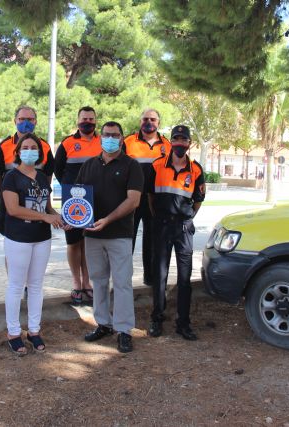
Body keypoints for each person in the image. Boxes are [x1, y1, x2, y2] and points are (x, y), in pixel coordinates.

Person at [76, 121, 143, 353]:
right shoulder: (88, 165)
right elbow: (78, 198)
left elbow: (133, 200)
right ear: (100, 137)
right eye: (106, 134)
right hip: (92, 234)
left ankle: (124, 330)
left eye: (115, 135)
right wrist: (73, 218)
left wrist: (108, 219)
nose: (110, 138)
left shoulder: (131, 166)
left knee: (122, 283)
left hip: (119, 235)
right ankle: (103, 324)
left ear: (122, 138)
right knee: (99, 281)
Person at [1, 133, 65, 355]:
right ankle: (13, 333)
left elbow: (47, 207)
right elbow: (13, 209)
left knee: (36, 285)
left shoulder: (41, 177)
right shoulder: (11, 177)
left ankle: (34, 330)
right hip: (18, 238)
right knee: (16, 286)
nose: (30, 151)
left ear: (40, 153)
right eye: (25, 147)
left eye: (34, 147)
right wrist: (46, 218)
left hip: (41, 239)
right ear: (18, 152)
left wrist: (59, 218)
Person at [146, 125, 205, 340]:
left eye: (184, 140)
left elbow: (197, 202)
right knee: (159, 276)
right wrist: (160, 218)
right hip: (161, 226)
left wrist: (185, 219)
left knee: (184, 278)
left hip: (183, 229)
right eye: (176, 139)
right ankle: (157, 319)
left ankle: (183, 323)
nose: (180, 143)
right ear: (171, 142)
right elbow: (150, 197)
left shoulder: (196, 170)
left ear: (190, 144)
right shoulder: (156, 166)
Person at [54, 106, 101, 304]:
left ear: (95, 121)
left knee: (89, 242)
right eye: (84, 119)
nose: (87, 122)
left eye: (91, 119)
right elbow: (58, 170)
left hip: (97, 200)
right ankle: (76, 283)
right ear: (77, 121)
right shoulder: (67, 143)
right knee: (73, 242)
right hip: (72, 201)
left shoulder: (103, 141)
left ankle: (87, 283)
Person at [123, 109, 170, 286]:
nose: (148, 122)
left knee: (152, 239)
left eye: (153, 119)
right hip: (131, 198)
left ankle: (150, 278)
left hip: (155, 200)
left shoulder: (167, 144)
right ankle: (124, 277)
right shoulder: (127, 142)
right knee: (128, 239)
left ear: (158, 122)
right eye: (145, 119)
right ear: (140, 121)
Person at [0, 105, 54, 235]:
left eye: (30, 119)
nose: (26, 122)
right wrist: (10, 192)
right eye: (22, 119)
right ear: (15, 121)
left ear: (35, 121)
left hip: (38, 208)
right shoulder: (4, 146)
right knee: (12, 246)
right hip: (11, 207)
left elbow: (47, 179)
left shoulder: (45, 147)